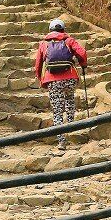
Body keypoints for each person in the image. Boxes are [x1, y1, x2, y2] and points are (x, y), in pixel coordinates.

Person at [33, 19, 87, 151]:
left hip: (52, 80)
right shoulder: (69, 40)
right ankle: (71, 126)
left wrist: (41, 79)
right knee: (69, 99)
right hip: (69, 77)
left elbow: (38, 64)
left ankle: (61, 141)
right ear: (63, 30)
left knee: (57, 110)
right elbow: (82, 53)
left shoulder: (43, 44)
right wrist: (83, 65)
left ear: (50, 30)